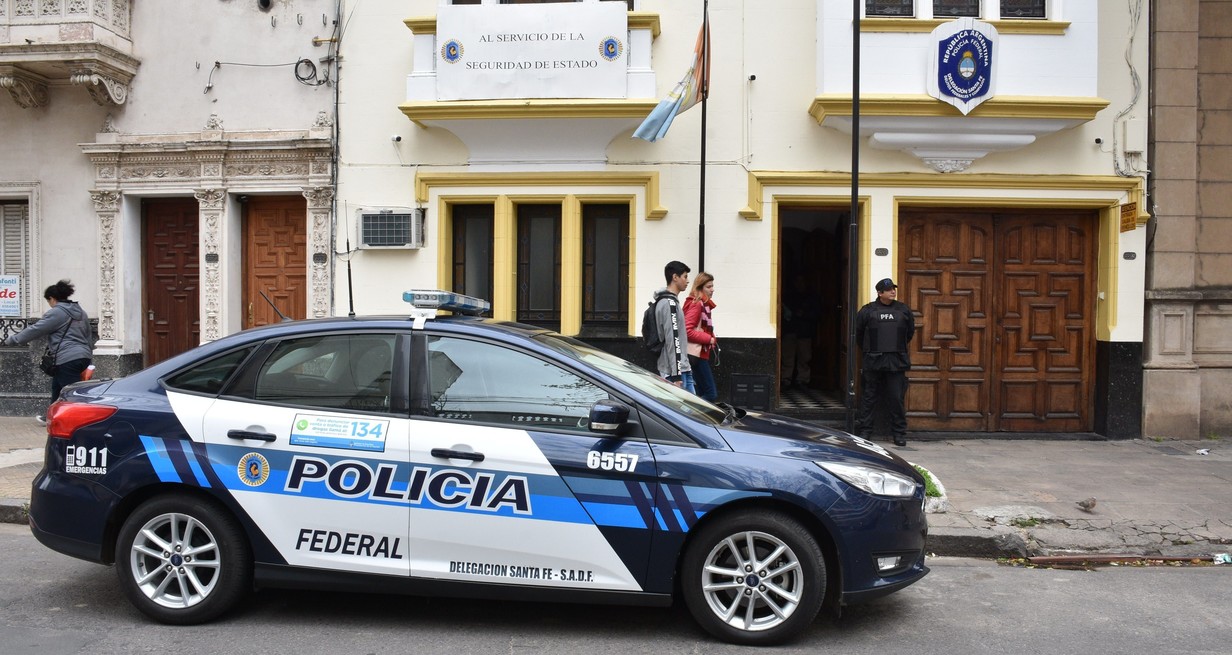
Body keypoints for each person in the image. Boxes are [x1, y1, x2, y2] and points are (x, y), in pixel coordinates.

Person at [4, 279, 93, 424]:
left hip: (67, 357)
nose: (49, 304)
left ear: (52, 298)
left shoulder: (57, 312)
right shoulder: (81, 313)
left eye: (48, 301)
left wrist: (13, 339)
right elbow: (88, 336)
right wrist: (89, 359)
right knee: (57, 387)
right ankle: (51, 417)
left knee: (71, 393)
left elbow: (37, 329)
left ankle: (81, 422)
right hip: (83, 356)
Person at [855, 277, 915, 447]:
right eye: (889, 290)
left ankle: (899, 433)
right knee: (869, 397)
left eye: (893, 289)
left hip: (896, 361)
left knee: (896, 398)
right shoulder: (867, 311)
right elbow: (859, 334)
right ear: (880, 293)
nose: (893, 291)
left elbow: (909, 333)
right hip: (873, 361)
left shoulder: (903, 310)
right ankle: (865, 431)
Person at [654, 261, 694, 393]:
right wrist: (677, 375)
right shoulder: (669, 304)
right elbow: (673, 340)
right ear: (675, 277)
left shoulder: (668, 301)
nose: (687, 281)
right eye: (685, 276)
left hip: (680, 368)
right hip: (676, 372)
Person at [780, 274, 820, 391]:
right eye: (797, 281)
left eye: (802, 281)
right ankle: (785, 380)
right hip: (790, 331)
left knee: (804, 358)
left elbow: (816, 313)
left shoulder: (811, 297)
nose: (799, 284)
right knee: (787, 358)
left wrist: (804, 314)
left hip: (804, 332)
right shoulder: (789, 296)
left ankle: (802, 380)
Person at [684, 272, 719, 402]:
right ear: (700, 287)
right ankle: (691, 413)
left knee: (699, 393)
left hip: (698, 354)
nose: (712, 289)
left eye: (712, 286)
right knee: (710, 394)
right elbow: (687, 330)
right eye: (709, 287)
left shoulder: (703, 304)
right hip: (696, 355)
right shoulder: (697, 304)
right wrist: (709, 339)